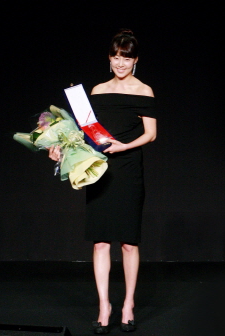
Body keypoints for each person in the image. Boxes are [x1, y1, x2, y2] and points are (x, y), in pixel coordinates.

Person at [50, 29, 156, 334]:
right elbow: (85, 132)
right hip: (100, 169)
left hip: (128, 168)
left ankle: (128, 305)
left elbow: (151, 134)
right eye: (116, 56)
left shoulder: (144, 91)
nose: (120, 63)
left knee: (128, 243)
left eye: (126, 57)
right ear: (109, 58)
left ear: (135, 60)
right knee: (100, 242)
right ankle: (104, 306)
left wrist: (124, 146)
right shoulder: (97, 91)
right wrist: (61, 147)